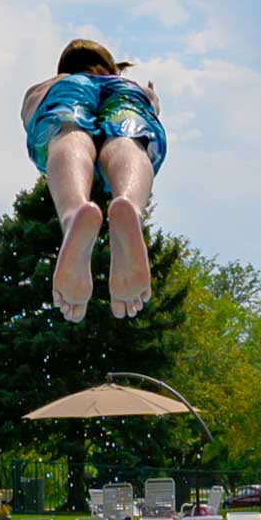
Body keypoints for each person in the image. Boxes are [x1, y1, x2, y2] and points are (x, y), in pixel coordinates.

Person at [21, 37, 167, 322]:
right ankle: (130, 208)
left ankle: (74, 213)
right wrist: (151, 98)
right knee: (129, 140)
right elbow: (153, 107)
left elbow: (31, 112)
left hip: (64, 93)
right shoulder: (128, 84)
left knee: (67, 134)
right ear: (110, 67)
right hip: (127, 95)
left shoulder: (50, 84)